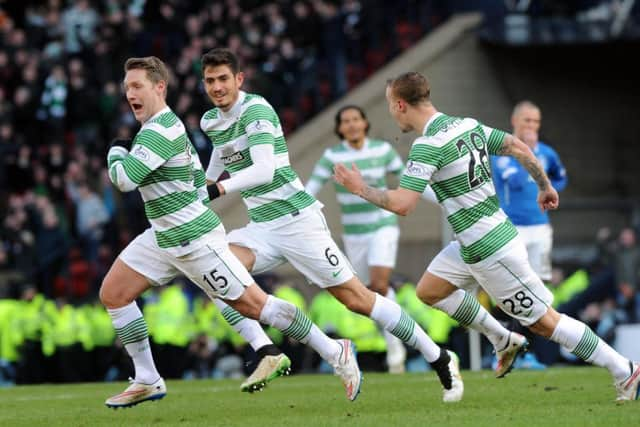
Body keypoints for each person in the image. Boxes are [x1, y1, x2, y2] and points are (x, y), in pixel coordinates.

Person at [333, 71, 640, 401]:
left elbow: (402, 204)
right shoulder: (467, 124)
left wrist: (359, 188)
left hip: (492, 250)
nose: (391, 113)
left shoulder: (428, 145)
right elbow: (517, 146)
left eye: (390, 106)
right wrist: (544, 185)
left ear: (400, 104)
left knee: (545, 323)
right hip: (472, 244)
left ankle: (624, 369)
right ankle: (502, 338)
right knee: (429, 291)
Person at [199, 48, 463, 403]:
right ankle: (277, 350)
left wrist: (217, 188)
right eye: (210, 80)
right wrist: (202, 185)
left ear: (239, 80)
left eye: (223, 79)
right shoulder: (210, 121)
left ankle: (438, 355)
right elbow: (222, 150)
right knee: (213, 271)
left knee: (360, 299)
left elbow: (265, 169)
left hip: (297, 221)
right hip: (261, 226)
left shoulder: (256, 110)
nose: (217, 87)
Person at [100, 56, 363, 408]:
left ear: (159, 87)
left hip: (195, 241)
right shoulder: (157, 130)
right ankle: (148, 378)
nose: (129, 92)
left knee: (258, 306)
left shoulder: (161, 129)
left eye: (137, 85)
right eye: (127, 86)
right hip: (163, 235)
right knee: (114, 293)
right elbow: (195, 178)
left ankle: (335, 351)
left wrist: (117, 149)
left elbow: (124, 179)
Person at [305, 105, 407, 373]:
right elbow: (311, 189)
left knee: (380, 284)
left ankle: (396, 352)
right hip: (354, 234)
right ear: (339, 128)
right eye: (345, 121)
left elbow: (408, 177)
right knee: (366, 294)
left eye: (355, 119)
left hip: (383, 225)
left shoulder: (383, 151)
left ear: (365, 123)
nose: (351, 125)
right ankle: (396, 336)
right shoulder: (332, 156)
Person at [490, 100, 568, 368]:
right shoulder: (502, 153)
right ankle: (505, 348)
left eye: (535, 122)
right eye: (526, 121)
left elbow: (560, 178)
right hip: (513, 229)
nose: (531, 126)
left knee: (539, 290)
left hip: (540, 228)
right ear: (514, 122)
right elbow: (511, 179)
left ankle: (528, 353)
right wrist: (530, 156)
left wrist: (549, 188)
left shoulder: (547, 153)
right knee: (512, 289)